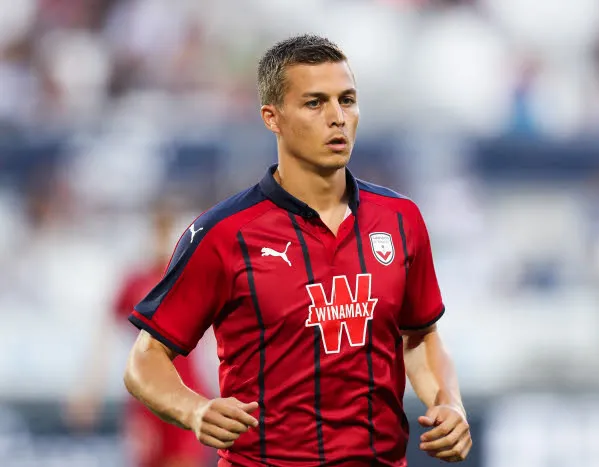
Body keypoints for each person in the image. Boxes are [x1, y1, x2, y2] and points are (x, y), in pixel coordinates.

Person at [123, 34, 471, 466]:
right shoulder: (223, 234)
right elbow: (145, 359)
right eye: (315, 103)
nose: (337, 117)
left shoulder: (401, 220)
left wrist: (449, 403)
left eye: (347, 100)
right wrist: (193, 409)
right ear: (273, 117)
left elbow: (419, 337)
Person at [67, 206, 212, 467]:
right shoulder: (136, 282)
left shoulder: (190, 277)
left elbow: (218, 337)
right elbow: (105, 336)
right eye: (157, 232)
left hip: (186, 390)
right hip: (145, 395)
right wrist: (89, 389)